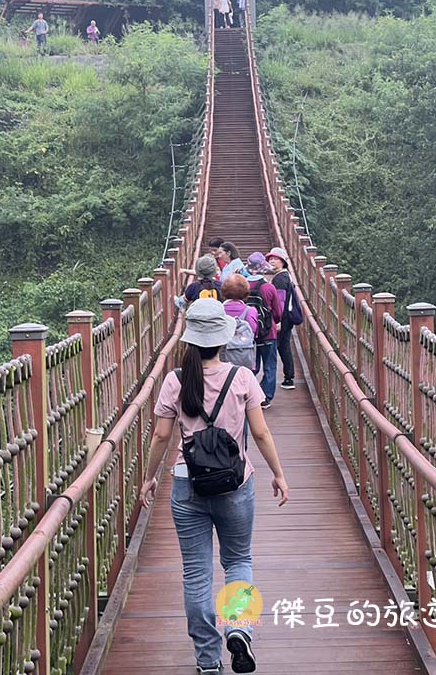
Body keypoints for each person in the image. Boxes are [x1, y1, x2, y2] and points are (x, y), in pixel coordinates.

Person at [140, 299, 289, 675]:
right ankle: (238, 629)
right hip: (235, 483)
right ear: (223, 339)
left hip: (187, 483)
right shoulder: (242, 377)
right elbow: (261, 432)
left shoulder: (175, 380)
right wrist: (278, 473)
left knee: (196, 571)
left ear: (190, 340)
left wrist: (149, 477)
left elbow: (161, 435)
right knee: (238, 560)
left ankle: (207, 660)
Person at [246, 253, 282, 409]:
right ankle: (265, 397)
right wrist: (275, 321)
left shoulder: (242, 285)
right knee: (270, 365)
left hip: (248, 333)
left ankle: (249, 393)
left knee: (251, 366)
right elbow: (278, 312)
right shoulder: (269, 287)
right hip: (268, 332)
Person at [266, 247, 295, 389]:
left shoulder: (280, 279)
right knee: (284, 346)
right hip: (286, 318)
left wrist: (278, 321)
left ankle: (280, 379)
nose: (272, 261)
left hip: (282, 318)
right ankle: (289, 378)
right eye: (270, 259)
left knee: (276, 348)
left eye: (275, 259)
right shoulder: (285, 275)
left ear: (282, 261)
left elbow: (281, 301)